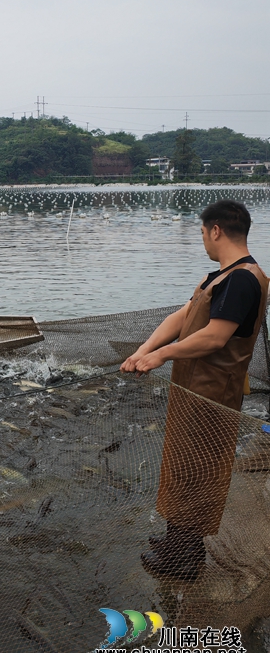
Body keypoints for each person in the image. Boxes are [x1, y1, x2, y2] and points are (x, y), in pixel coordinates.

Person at [121, 200, 268, 581]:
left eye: (203, 233)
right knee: (182, 465)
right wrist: (143, 350)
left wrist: (161, 357)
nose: (203, 240)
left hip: (213, 395)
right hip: (193, 389)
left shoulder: (243, 279)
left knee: (199, 471)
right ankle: (176, 542)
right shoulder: (221, 276)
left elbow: (215, 337)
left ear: (215, 230)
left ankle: (184, 561)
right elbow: (183, 317)